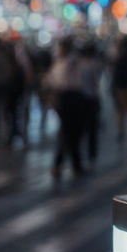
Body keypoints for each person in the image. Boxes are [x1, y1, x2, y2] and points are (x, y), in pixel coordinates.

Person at [49, 40, 86, 179]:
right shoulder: (67, 61)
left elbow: (57, 81)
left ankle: (61, 163)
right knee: (70, 132)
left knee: (68, 132)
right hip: (68, 97)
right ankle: (72, 164)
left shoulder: (69, 62)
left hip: (70, 97)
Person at [79, 43, 105, 165]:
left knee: (82, 128)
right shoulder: (93, 66)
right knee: (92, 128)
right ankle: (91, 154)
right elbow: (95, 85)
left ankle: (81, 153)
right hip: (90, 99)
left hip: (81, 98)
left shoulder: (80, 65)